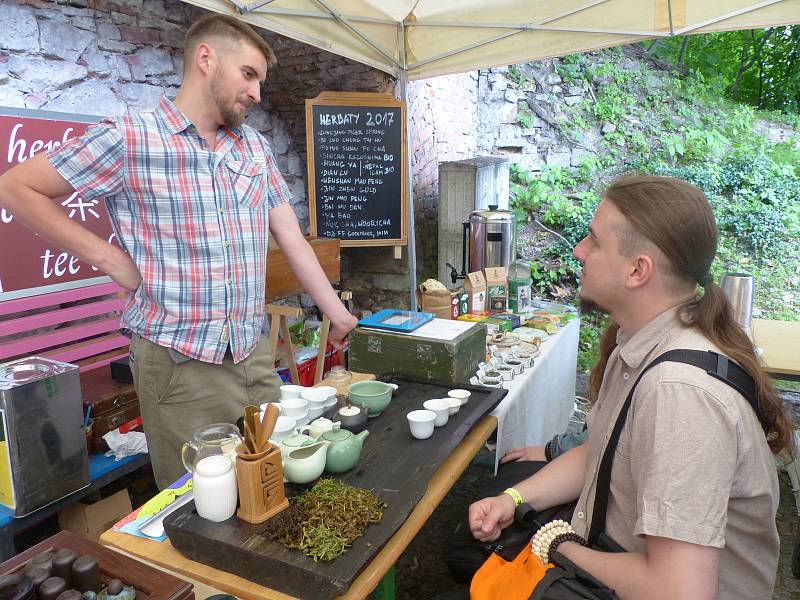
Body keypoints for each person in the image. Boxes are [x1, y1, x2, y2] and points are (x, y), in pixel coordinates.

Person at [0, 14, 357, 489]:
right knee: (196, 502)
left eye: (260, 81)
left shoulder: (252, 147)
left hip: (252, 354)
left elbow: (291, 237)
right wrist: (108, 258)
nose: (256, 94)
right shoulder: (131, 137)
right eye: (248, 75)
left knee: (272, 484)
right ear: (206, 58)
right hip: (178, 362)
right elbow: (16, 187)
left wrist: (336, 312)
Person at [468, 176, 793, 599]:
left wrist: (555, 543)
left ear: (638, 270)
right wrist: (513, 498)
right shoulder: (642, 341)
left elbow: (677, 591)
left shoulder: (679, 395)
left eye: (593, 240)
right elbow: (603, 451)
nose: (578, 251)